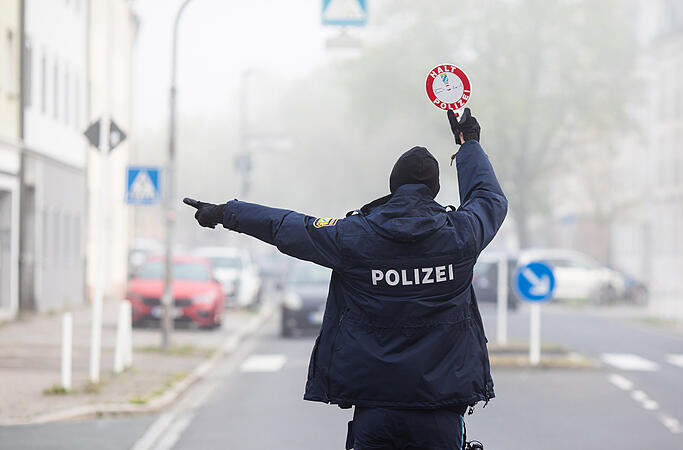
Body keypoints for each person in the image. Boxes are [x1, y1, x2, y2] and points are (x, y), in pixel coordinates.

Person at [185, 109, 507, 450]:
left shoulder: (353, 236)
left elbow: (285, 225)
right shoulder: (462, 234)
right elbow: (488, 198)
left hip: (375, 412)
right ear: (435, 189)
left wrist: (225, 213)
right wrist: (469, 145)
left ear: (393, 186)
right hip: (441, 413)